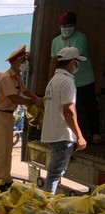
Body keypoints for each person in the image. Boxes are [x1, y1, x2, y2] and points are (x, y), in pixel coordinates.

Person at [0, 46, 43, 190]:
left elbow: (25, 91)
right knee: (0, 151)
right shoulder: (6, 77)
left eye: (26, 59)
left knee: (8, 150)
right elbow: (14, 98)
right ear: (15, 62)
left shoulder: (16, 76)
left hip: (8, 116)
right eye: (23, 60)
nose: (26, 62)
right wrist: (33, 102)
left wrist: (37, 98)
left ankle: (7, 178)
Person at [48, 11, 101, 144]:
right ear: (58, 25)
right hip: (66, 81)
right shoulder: (55, 41)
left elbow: (73, 57)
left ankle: (95, 133)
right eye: (63, 25)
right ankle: (73, 136)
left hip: (84, 80)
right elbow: (53, 61)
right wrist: (50, 82)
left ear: (75, 25)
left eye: (69, 25)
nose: (66, 28)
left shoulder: (80, 38)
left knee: (90, 106)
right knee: (70, 109)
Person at [41, 47, 87, 194]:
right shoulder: (67, 81)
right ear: (73, 62)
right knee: (55, 175)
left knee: (53, 173)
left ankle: (47, 203)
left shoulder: (54, 80)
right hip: (62, 134)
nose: (77, 66)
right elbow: (69, 111)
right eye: (77, 62)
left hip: (54, 133)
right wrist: (79, 135)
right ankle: (46, 206)